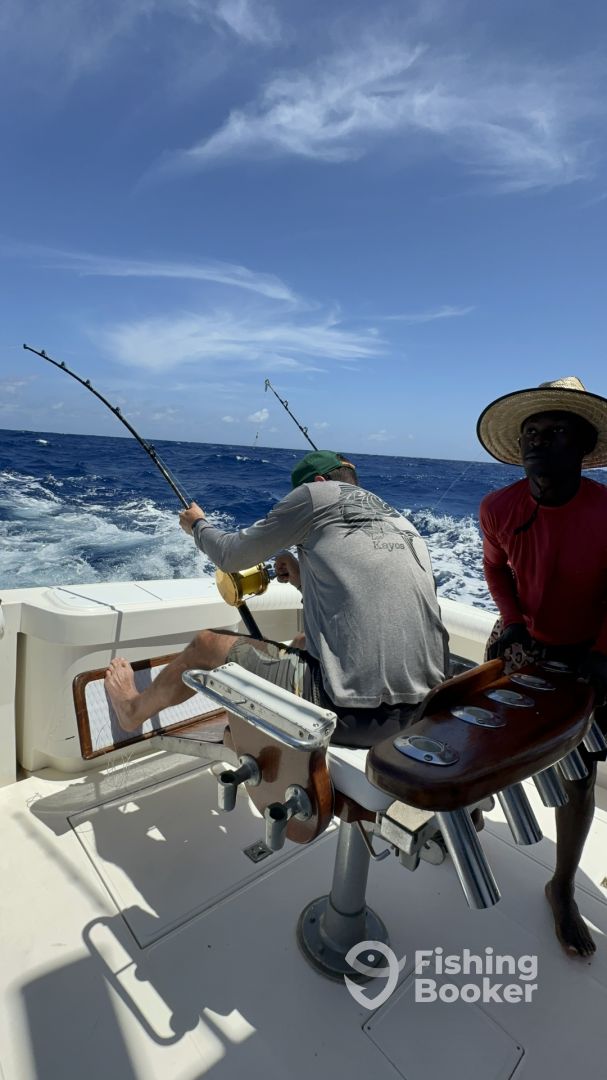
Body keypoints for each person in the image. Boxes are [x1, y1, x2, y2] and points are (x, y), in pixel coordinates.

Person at [105, 449, 449, 748]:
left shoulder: (316, 495)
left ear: (317, 482)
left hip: (350, 715)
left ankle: (132, 711)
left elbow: (230, 555)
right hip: (426, 712)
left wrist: (197, 525)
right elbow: (361, 598)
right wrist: (301, 579)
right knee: (301, 641)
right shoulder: (397, 519)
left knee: (205, 645)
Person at [477, 377, 607, 957]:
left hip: (592, 654)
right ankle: (469, 815)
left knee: (579, 777)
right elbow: (495, 568)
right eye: (532, 431)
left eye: (556, 431)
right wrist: (512, 623)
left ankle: (562, 886)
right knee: (484, 741)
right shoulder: (497, 507)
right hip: (523, 643)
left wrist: (601, 653)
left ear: (583, 447)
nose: (539, 440)